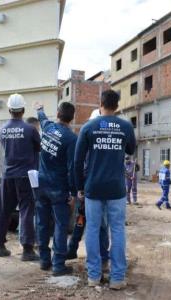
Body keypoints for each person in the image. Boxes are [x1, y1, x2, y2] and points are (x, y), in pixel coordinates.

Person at [74, 90, 136, 290]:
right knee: (117, 230)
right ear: (117, 106)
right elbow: (131, 149)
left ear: (100, 103)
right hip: (116, 189)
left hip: (93, 187)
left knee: (92, 229)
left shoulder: (88, 127)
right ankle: (117, 278)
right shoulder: (125, 126)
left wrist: (79, 187)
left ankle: (94, 275)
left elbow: (77, 161)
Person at [0, 94, 40, 261]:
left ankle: (0, 246)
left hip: (7, 175)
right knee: (26, 210)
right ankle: (27, 250)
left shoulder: (3, 129)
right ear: (23, 109)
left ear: (9, 109)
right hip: (25, 175)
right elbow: (39, 147)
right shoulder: (30, 129)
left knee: (4, 210)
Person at [35, 102, 77, 276]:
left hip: (41, 184)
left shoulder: (48, 128)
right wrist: (74, 193)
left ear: (58, 113)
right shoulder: (71, 138)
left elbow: (42, 118)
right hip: (58, 188)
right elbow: (72, 168)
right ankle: (58, 265)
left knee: (42, 223)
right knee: (60, 225)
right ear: (72, 117)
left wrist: (39, 109)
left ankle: (44, 260)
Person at [67, 109, 110, 270]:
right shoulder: (108, 144)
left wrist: (79, 189)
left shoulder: (87, 140)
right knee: (97, 224)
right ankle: (102, 258)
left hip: (89, 189)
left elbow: (78, 166)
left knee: (86, 222)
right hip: (101, 190)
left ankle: (89, 256)